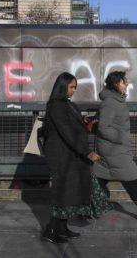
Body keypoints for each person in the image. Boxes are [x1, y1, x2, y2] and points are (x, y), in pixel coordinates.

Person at [41, 72, 112, 244]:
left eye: (75, 87)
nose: (74, 90)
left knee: (69, 192)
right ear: (62, 86)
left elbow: (72, 127)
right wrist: (86, 152)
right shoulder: (57, 106)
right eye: (71, 87)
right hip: (62, 156)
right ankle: (51, 230)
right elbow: (67, 133)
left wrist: (85, 123)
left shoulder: (66, 104)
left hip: (70, 155)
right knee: (62, 193)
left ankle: (62, 228)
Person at [93, 71, 137, 223]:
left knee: (101, 179)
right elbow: (104, 128)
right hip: (113, 150)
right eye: (123, 82)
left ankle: (87, 208)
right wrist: (122, 137)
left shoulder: (116, 100)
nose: (127, 84)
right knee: (130, 178)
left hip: (115, 149)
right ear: (115, 84)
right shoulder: (110, 103)